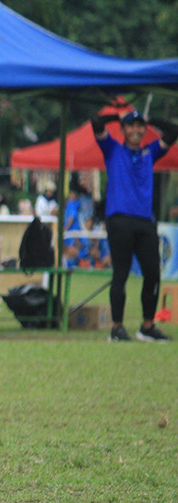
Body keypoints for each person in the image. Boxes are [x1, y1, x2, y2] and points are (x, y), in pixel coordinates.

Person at [93, 108, 178, 342]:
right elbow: (96, 122)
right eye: (131, 126)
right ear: (123, 130)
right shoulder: (113, 149)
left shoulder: (149, 152)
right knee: (121, 273)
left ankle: (147, 326)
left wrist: (151, 120)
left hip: (145, 221)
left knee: (153, 273)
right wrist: (118, 117)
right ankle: (117, 329)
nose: (135, 130)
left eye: (140, 126)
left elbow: (174, 131)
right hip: (119, 219)